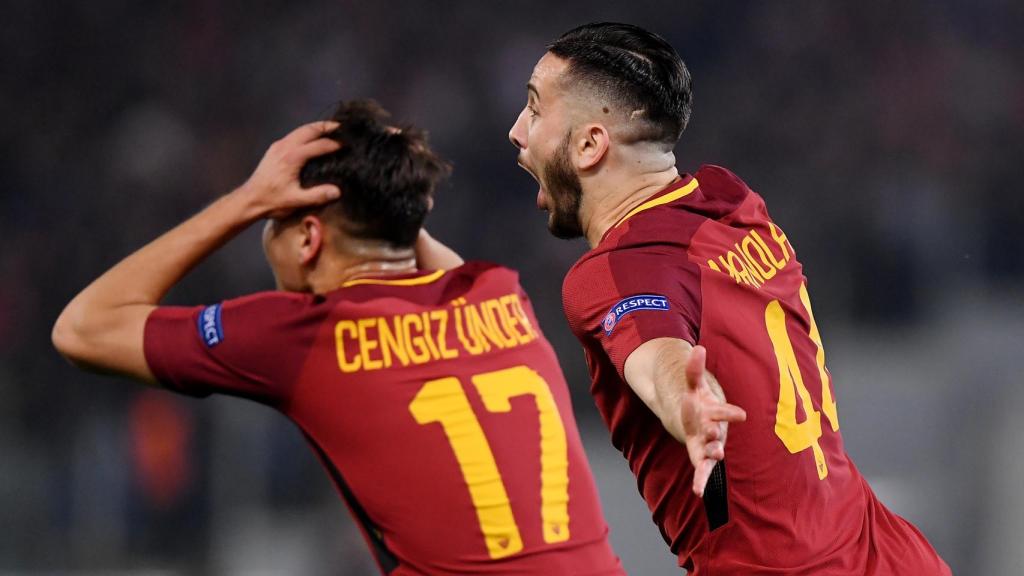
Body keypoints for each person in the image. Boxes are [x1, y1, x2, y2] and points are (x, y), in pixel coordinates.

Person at [52, 100, 626, 575]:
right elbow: (415, 251)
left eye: (271, 227)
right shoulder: (499, 293)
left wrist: (247, 199)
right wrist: (387, 180)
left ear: (307, 237)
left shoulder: (300, 334)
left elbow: (82, 328)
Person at [502, 22, 951, 574]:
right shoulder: (732, 202)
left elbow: (658, 352)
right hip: (889, 553)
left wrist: (687, 405)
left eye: (534, 109)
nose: (517, 131)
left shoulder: (610, 272)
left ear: (592, 143)